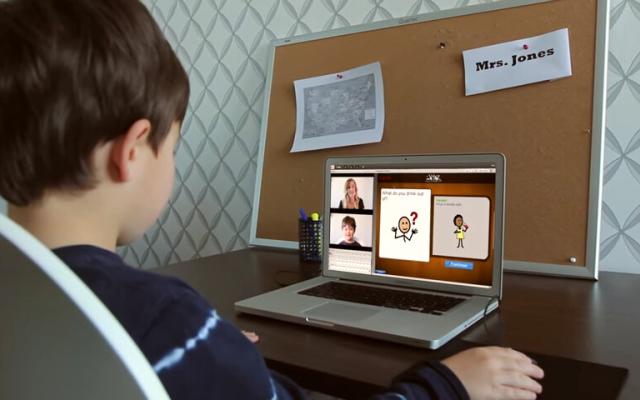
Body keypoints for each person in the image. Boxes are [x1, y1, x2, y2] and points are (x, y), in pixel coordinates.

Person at [0, 1, 544, 399]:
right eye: (174, 145)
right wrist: (447, 385)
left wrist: (214, 354)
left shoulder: (150, 328)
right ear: (133, 150)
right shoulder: (164, 320)